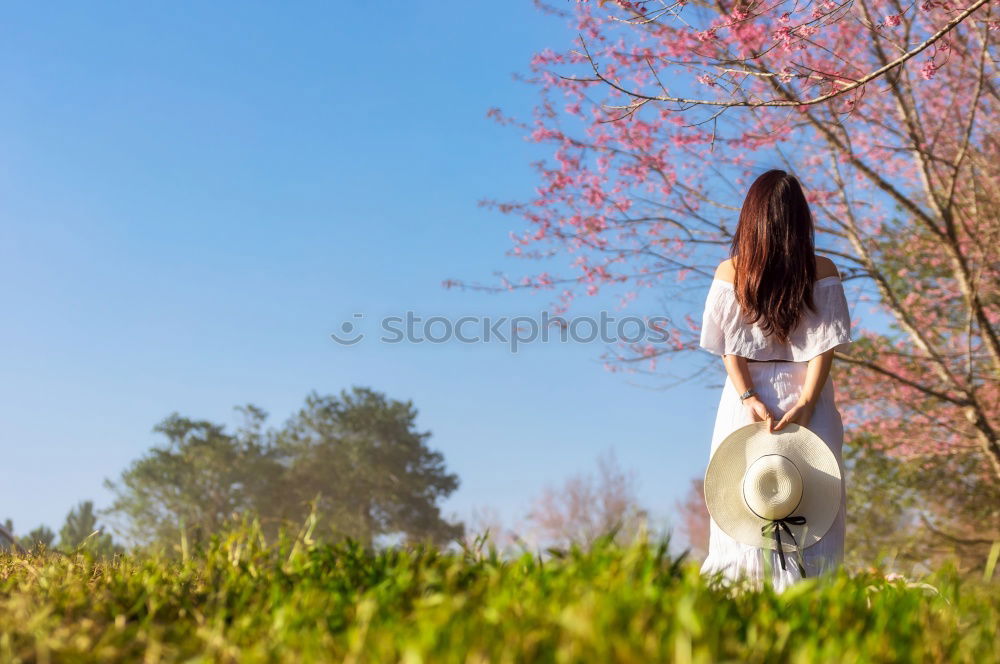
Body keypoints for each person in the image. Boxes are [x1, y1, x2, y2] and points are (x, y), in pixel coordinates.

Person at [698, 169, 854, 591]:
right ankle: (812, 603)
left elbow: (730, 348)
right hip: (809, 395)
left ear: (752, 217)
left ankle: (738, 603)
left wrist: (749, 395)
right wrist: (806, 401)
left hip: (745, 399)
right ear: (799, 219)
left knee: (743, 499)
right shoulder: (822, 268)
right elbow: (824, 348)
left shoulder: (730, 271)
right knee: (813, 503)